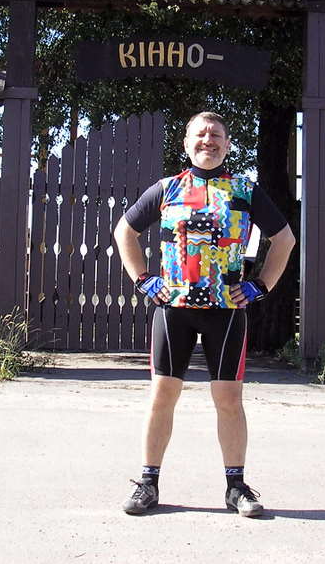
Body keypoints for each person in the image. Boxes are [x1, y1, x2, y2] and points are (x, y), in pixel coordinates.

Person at [114, 111, 296, 517]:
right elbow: (125, 231)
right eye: (200, 133)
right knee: (163, 394)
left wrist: (261, 285)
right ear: (186, 142)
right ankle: (148, 483)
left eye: (216, 135)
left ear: (228, 145)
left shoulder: (244, 190)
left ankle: (236, 487)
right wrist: (143, 279)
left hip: (226, 311)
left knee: (228, 398)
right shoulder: (167, 188)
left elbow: (284, 239)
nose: (208, 140)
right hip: (173, 309)